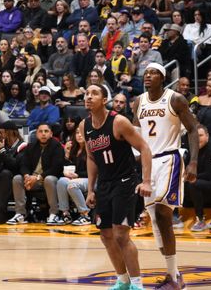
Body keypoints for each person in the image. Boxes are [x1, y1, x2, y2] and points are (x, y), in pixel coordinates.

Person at [132, 63, 198, 290]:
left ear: (163, 78)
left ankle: (175, 278)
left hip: (170, 159)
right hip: (147, 164)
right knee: (156, 221)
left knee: (162, 213)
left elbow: (192, 129)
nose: (147, 76)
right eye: (146, 73)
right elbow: (136, 133)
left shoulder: (175, 99)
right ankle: (174, 274)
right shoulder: (138, 102)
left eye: (153, 73)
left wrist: (194, 162)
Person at [83, 84, 152, 290]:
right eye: (86, 93)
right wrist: (90, 189)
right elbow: (91, 157)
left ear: (105, 100)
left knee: (121, 234)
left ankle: (138, 284)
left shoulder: (119, 122)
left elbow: (144, 148)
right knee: (105, 235)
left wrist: (146, 181)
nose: (88, 96)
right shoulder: (84, 126)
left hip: (124, 182)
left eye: (94, 93)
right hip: (104, 184)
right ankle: (122, 280)